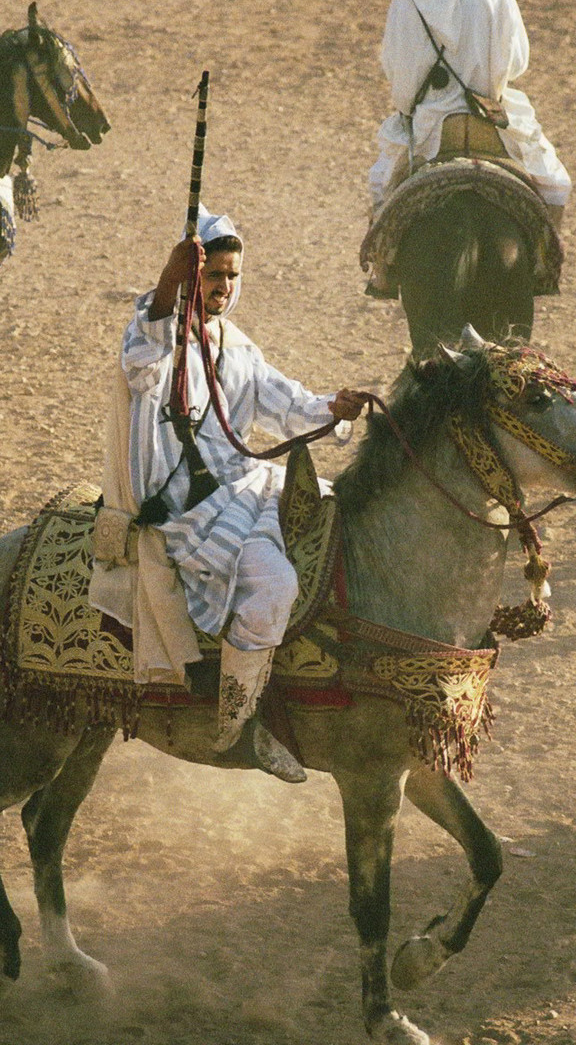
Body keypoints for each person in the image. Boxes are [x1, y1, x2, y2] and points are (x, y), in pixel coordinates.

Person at [90, 208, 369, 783]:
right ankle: (235, 728)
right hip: (186, 515)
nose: (222, 287)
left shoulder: (239, 349)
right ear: (191, 275)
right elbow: (152, 334)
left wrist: (332, 408)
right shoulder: (155, 336)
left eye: (231, 277)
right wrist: (171, 277)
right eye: (211, 274)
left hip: (246, 490)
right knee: (275, 584)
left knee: (337, 516)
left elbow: (290, 408)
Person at [365, 0, 569, 295]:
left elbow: (397, 69)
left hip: (431, 129)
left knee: (381, 185)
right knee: (556, 182)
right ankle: (543, 266)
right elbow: (517, 61)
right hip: (491, 122)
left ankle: (382, 272)